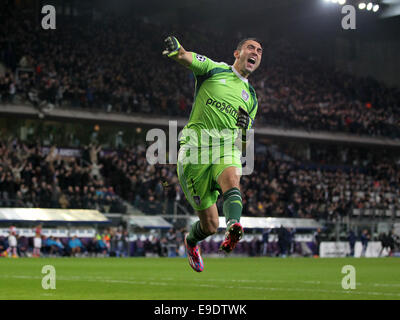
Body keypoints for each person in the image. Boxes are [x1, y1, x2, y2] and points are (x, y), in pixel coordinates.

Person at [163, 36, 262, 272]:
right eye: (251, 47)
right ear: (237, 54)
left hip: (225, 149)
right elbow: (186, 57)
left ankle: (233, 226)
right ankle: (190, 241)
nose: (256, 53)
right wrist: (177, 51)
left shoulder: (252, 99)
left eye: (259, 51)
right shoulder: (214, 69)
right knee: (209, 226)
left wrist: (243, 129)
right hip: (194, 152)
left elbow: (243, 139)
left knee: (232, 178)